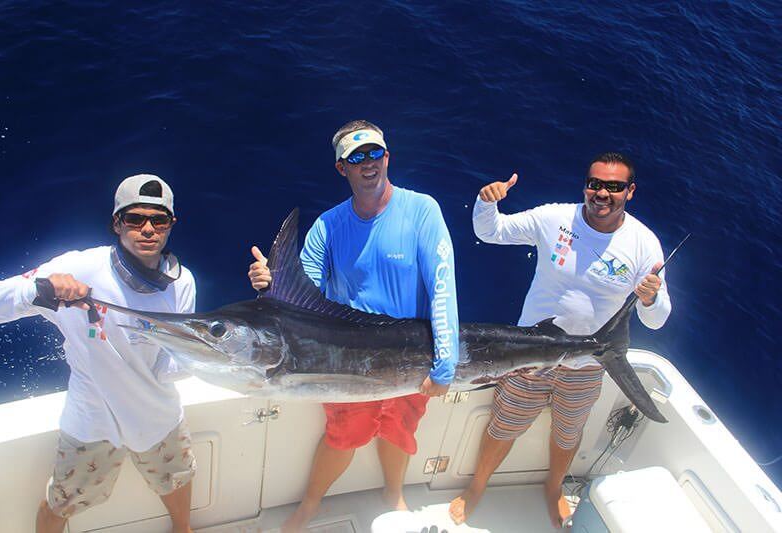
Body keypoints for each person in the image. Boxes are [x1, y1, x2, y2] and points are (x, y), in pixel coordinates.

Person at [248, 120, 460, 532]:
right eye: (356, 157)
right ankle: (310, 504)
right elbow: (302, 290)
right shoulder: (328, 225)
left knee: (400, 429)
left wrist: (444, 363)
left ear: (387, 157)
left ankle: (392, 492)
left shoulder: (422, 210)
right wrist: (270, 281)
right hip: (348, 358)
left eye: (374, 153)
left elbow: (442, 286)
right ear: (341, 168)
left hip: (413, 354)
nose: (368, 163)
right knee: (344, 434)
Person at [449, 153, 671, 528]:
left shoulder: (644, 244)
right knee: (504, 424)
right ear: (586, 184)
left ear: (630, 192)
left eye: (614, 187)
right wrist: (487, 203)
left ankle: (554, 487)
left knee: (568, 432)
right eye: (594, 183)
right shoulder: (555, 218)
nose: (602, 193)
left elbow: (657, 320)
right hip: (527, 356)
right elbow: (491, 232)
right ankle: (477, 487)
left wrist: (651, 298)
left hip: (587, 365)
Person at [0, 174, 197, 533]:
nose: (148, 229)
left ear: (171, 225)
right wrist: (39, 290)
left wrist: (210, 361)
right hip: (93, 422)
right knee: (61, 502)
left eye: (158, 220)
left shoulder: (183, 283)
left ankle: (183, 530)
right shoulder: (80, 267)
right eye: (135, 218)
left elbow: (167, 364)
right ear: (117, 223)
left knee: (176, 480)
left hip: (157, 417)